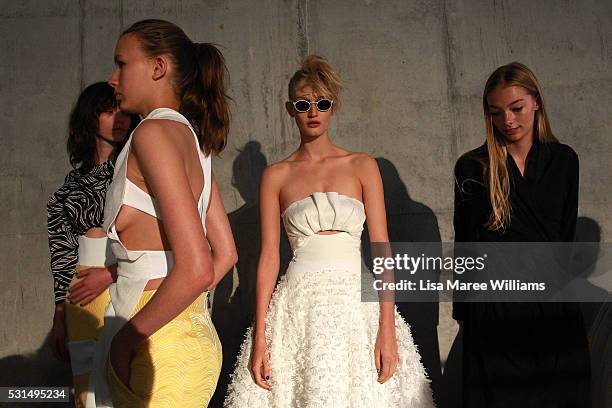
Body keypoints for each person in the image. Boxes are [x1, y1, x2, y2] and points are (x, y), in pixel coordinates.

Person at [225, 55, 434, 407]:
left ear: (332, 107)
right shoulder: (276, 176)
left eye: (322, 103)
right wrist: (261, 335)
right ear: (290, 109)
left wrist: (386, 326)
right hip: (299, 305)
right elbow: (269, 257)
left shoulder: (362, 165)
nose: (313, 112)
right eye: (304, 104)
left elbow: (381, 247)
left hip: (356, 302)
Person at [96, 19, 237, 407]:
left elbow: (197, 267)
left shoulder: (152, 134)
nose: (113, 78)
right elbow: (225, 253)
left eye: (122, 64)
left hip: (154, 341)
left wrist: (127, 341)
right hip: (186, 335)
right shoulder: (196, 144)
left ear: (158, 67)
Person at [453, 62, 591, 407]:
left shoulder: (563, 160)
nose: (508, 121)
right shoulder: (473, 166)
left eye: (516, 109)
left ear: (536, 103)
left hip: (551, 304)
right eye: (497, 113)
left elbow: (564, 238)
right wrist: (464, 312)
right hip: (494, 306)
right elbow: (466, 244)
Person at [47, 81, 135, 408]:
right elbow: (62, 255)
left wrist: (111, 274)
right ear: (90, 117)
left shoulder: (137, 174)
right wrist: (60, 315)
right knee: (88, 393)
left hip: (128, 283)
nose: (119, 118)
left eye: (124, 111)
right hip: (81, 297)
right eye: (109, 111)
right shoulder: (67, 191)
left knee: (125, 384)